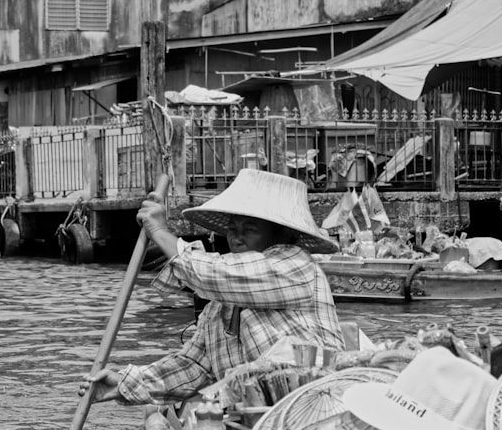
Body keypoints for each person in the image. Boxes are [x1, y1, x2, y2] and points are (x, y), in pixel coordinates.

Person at [79, 169, 344, 405]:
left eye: (250, 228)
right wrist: (125, 383)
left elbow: (217, 274)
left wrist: (159, 230)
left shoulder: (295, 264)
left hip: (318, 404)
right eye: (232, 228)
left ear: (282, 235)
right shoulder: (220, 306)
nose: (236, 237)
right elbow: (193, 366)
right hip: (260, 418)